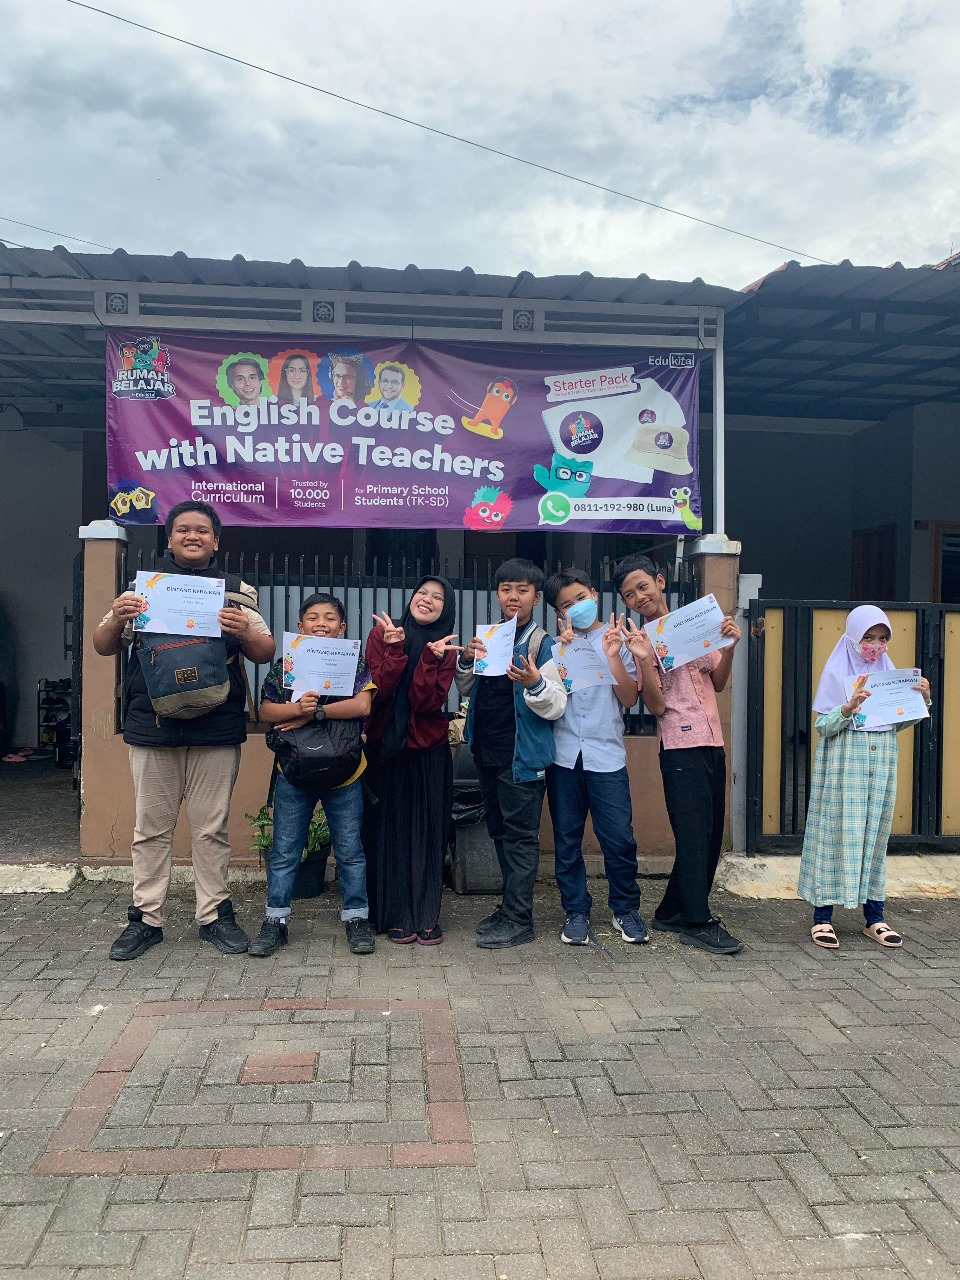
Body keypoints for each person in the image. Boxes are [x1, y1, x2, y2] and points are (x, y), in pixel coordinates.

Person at [93, 500, 275, 960]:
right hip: (152, 723)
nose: (192, 536)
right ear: (169, 539)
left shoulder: (236, 591)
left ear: (216, 541)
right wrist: (118, 616)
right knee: (150, 829)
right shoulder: (143, 590)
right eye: (182, 530)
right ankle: (146, 918)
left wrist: (244, 630)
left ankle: (214, 916)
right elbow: (103, 644)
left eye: (202, 530)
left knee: (211, 829)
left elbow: (264, 651)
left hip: (217, 724)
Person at [616, 553, 743, 956]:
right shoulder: (641, 642)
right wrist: (644, 661)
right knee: (692, 835)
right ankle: (697, 920)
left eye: (642, 586)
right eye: (629, 594)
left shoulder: (695, 624)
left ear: (659, 581)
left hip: (712, 741)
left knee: (709, 833)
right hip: (679, 745)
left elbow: (717, 681)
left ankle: (671, 911)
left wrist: (730, 646)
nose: (639, 597)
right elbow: (655, 706)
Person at [249, 593, 377, 957]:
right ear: (300, 626)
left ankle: (356, 918)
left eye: (330, 618)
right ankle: (275, 921)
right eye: (313, 617)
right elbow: (265, 711)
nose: (321, 623)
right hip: (294, 771)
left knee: (350, 851)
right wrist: (295, 708)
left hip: (345, 772)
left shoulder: (354, 663)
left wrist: (316, 713)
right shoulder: (285, 665)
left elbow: (363, 705)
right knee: (285, 851)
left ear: (342, 628)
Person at [799, 605, 931, 950]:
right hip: (844, 766)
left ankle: (875, 918)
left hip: (881, 766)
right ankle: (822, 918)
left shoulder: (888, 674)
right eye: (868, 638)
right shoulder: (836, 673)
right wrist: (847, 708)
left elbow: (895, 722)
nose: (875, 645)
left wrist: (921, 701)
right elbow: (822, 726)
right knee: (834, 834)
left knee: (875, 835)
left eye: (882, 638)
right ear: (853, 638)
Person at [456, 558, 567, 949]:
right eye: (506, 589)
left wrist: (535, 682)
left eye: (522, 590)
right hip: (487, 753)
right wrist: (466, 659)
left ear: (536, 598)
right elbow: (467, 689)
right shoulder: (491, 637)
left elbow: (557, 704)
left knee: (520, 838)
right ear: (497, 595)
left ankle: (520, 919)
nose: (513, 596)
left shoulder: (543, 644)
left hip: (521, 758)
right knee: (500, 833)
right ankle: (509, 908)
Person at [543, 569, 647, 946]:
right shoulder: (555, 648)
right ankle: (576, 910)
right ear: (558, 613)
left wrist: (613, 656)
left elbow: (629, 698)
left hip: (606, 756)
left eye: (580, 598)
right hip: (564, 756)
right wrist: (562, 654)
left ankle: (625, 908)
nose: (576, 607)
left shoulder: (617, 638)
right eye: (566, 605)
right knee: (567, 838)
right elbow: (546, 698)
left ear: (594, 594)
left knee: (618, 838)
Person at [362, 578, 459, 944]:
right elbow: (376, 690)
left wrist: (431, 660)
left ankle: (425, 914)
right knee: (387, 831)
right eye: (422, 593)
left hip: (427, 750)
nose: (427, 600)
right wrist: (395, 648)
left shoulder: (446, 648)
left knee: (427, 833)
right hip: (385, 749)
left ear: (446, 609)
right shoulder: (382, 634)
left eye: (438, 597)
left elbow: (426, 703)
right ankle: (394, 913)